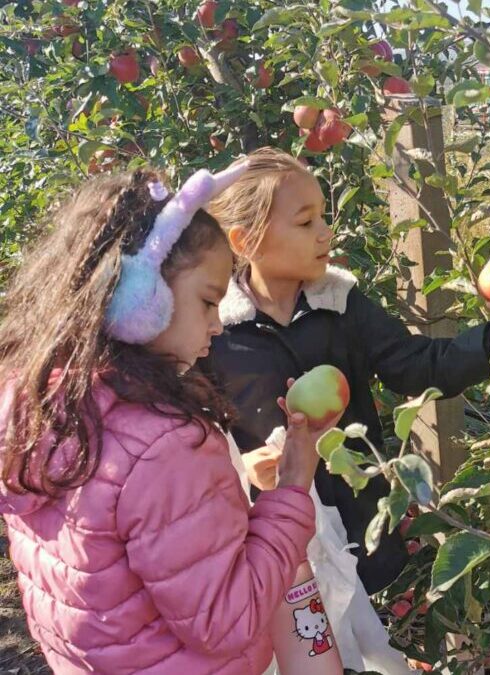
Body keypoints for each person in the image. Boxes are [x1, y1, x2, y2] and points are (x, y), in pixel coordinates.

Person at [0, 161, 331, 674]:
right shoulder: (165, 446)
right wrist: (288, 491)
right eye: (207, 301)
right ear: (139, 297)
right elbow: (228, 621)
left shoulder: (33, 400)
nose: (218, 325)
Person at [202, 147, 490, 594]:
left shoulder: (341, 304)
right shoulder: (215, 332)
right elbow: (189, 437)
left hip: (366, 533)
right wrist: (241, 469)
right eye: (305, 222)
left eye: (323, 216)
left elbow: (417, 366)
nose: (325, 232)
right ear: (245, 242)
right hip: (277, 550)